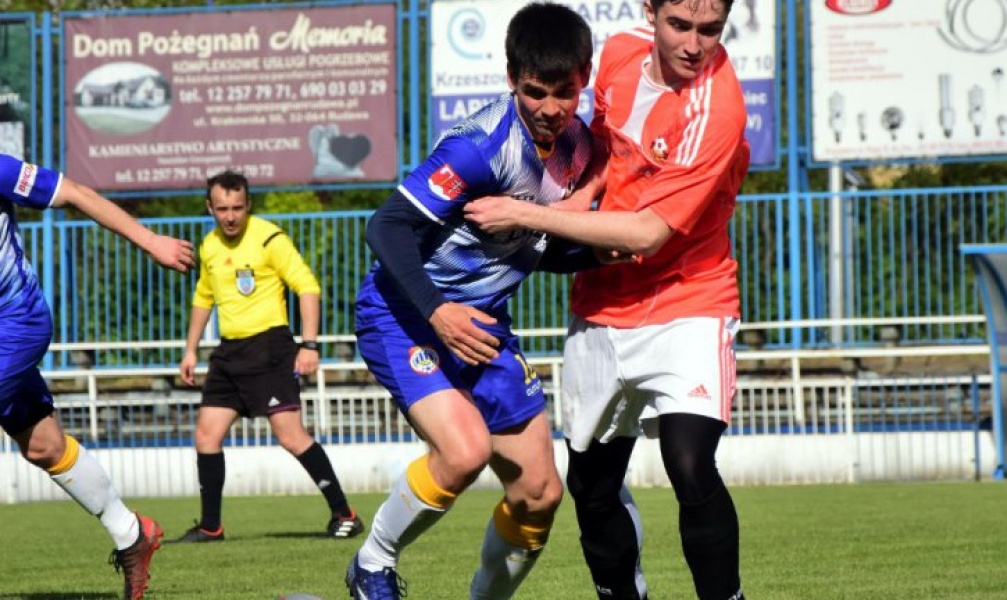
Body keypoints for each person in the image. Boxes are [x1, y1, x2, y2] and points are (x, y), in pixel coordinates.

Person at [464, 1, 751, 598]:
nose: (694, 44)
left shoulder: (718, 106)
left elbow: (647, 233)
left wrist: (525, 213)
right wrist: (580, 196)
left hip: (689, 300)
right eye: (679, 25)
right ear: (651, 11)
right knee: (592, 487)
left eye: (710, 29)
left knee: (690, 463)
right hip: (602, 306)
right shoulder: (619, 54)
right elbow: (604, 154)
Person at [344, 4, 597, 599]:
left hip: (483, 326)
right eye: (535, 92)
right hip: (406, 313)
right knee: (464, 452)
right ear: (512, 78)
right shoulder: (478, 149)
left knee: (539, 492)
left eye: (565, 91)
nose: (550, 108)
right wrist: (438, 311)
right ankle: (372, 563)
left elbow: (529, 247)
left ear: (583, 78)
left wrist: (599, 254)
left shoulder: (580, 148)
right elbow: (386, 227)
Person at [0, 154, 195, 599]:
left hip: (15, 322)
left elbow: (74, 193)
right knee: (44, 446)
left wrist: (149, 241)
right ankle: (131, 533)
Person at [175, 170, 362, 542]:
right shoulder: (209, 245)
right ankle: (211, 526)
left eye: (238, 208)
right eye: (223, 208)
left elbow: (307, 287)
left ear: (249, 205)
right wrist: (191, 349)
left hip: (270, 348)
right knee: (206, 435)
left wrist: (309, 345)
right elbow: (203, 297)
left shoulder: (269, 238)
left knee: (291, 437)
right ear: (209, 207)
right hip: (229, 352)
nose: (230, 216)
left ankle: (345, 514)